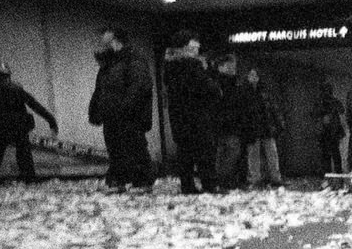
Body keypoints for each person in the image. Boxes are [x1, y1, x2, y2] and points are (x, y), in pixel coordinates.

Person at [88, 27, 155, 192]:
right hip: (112, 115)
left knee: (135, 147)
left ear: (116, 42)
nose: (101, 45)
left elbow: (140, 86)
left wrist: (125, 107)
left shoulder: (134, 60)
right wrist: (95, 109)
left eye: (105, 42)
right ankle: (118, 180)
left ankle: (142, 181)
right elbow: (101, 89)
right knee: (115, 149)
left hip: (130, 115)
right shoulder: (109, 64)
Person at [0, 60, 58, 183]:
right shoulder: (16, 88)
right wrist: (51, 120)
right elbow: (34, 105)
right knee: (24, 156)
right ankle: (29, 180)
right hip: (17, 128)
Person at [162, 30, 220, 194]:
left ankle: (187, 185)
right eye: (193, 46)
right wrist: (209, 72)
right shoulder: (193, 67)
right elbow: (210, 89)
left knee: (185, 153)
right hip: (198, 117)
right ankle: (209, 185)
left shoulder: (170, 68)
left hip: (179, 118)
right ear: (184, 48)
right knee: (205, 152)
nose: (197, 49)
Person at [242, 66, 285, 188]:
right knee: (255, 154)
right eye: (251, 75)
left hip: (265, 126)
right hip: (255, 127)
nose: (253, 78)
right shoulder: (248, 93)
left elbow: (273, 109)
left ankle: (274, 177)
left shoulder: (264, 92)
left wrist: (278, 123)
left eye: (255, 75)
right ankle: (256, 178)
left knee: (271, 153)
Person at [211, 53, 247, 190]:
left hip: (230, 123)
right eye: (230, 65)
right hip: (225, 123)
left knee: (228, 153)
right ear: (221, 66)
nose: (233, 68)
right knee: (227, 153)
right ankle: (223, 180)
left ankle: (224, 180)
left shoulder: (232, 83)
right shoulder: (222, 84)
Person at [316, 83, 345, 175]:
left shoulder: (333, 101)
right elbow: (315, 113)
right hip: (327, 131)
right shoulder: (322, 102)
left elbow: (341, 110)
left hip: (333, 131)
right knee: (328, 154)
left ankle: (336, 174)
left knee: (333, 154)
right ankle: (329, 174)